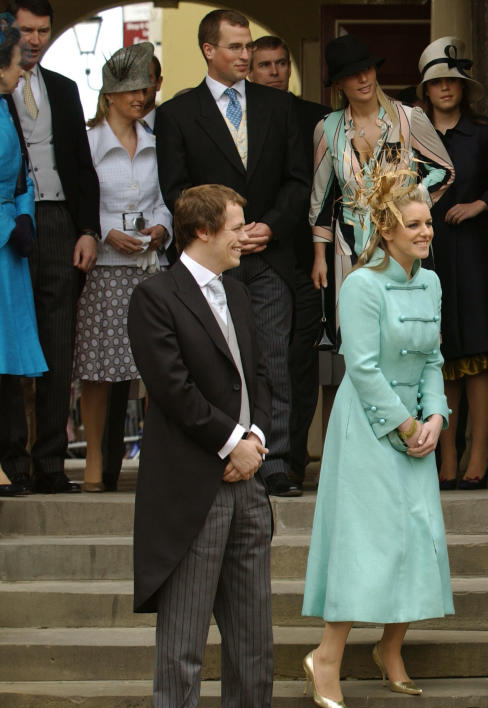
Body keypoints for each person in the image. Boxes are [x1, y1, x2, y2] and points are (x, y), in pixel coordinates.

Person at [301, 170, 453, 708]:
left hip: (417, 421)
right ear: (386, 231)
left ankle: (390, 647)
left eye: (429, 222)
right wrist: (406, 427)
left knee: (417, 535)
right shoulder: (361, 285)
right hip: (368, 427)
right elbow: (361, 369)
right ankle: (326, 658)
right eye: (414, 224)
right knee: (368, 541)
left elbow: (435, 359)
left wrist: (435, 415)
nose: (426, 232)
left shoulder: (431, 283)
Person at [128, 184, 275, 708]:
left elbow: (256, 375)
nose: (246, 235)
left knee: (253, 639)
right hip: (192, 490)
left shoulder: (237, 294)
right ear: (202, 231)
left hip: (248, 482)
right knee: (184, 640)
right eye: (236, 227)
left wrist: (255, 438)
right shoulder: (155, 296)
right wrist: (230, 440)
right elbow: (172, 388)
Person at [155, 8, 311, 497]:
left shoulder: (278, 107)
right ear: (209, 50)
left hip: (268, 255)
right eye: (236, 47)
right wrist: (221, 232)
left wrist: (270, 226)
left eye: (249, 46)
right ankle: (220, 452)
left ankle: (275, 460)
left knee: (272, 360)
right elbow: (176, 190)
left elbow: (297, 180)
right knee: (212, 362)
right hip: (208, 262)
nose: (246, 55)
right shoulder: (176, 114)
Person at [309, 33, 453, 479]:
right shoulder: (328, 128)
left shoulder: (409, 118)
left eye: (367, 69)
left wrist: (405, 201)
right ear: (339, 85)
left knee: (407, 328)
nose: (363, 79)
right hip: (350, 242)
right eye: (352, 75)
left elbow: (444, 170)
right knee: (353, 339)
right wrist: (319, 253)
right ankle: (361, 436)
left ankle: (410, 422)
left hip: (399, 241)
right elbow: (321, 195)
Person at [417, 37, 488, 489]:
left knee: (480, 352)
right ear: (425, 89)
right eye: (438, 82)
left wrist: (482, 203)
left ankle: (478, 452)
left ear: (464, 88)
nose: (446, 89)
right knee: (437, 354)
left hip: (479, 252)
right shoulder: (411, 133)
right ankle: (447, 453)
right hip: (429, 253)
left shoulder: (486, 130)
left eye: (454, 82)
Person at [0, 0, 100, 494]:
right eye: (25, 31)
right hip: (10, 223)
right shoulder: (1, 86)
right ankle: (13, 463)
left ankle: (50, 464)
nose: (34, 40)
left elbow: (81, 165)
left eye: (42, 31)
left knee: (59, 344)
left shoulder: (62, 89)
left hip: (61, 221)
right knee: (11, 342)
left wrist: (88, 230)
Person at [73, 42, 171, 493]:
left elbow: (165, 202)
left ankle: (157, 455)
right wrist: (106, 228)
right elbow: (80, 199)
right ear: (109, 94)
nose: (141, 95)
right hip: (105, 270)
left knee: (155, 367)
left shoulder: (156, 141)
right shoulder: (89, 142)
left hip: (150, 268)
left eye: (145, 86)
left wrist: (159, 230)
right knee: (98, 369)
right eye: (130, 88)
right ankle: (94, 458)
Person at [248, 33, 333, 492]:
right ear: (249, 70)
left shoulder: (316, 118)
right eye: (266, 65)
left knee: (302, 361)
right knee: (264, 358)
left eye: (281, 63)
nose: (276, 71)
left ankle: (292, 458)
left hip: (311, 256)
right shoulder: (238, 120)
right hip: (260, 254)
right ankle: (263, 455)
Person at [0, 13, 45, 497]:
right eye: (15, 64)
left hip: (9, 247)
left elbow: (19, 175)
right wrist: (8, 223)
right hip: (1, 240)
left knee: (7, 361)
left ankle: (14, 460)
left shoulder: (6, 105)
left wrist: (26, 214)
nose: (20, 73)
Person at [139, 55, 161, 134]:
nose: (140, 86)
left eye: (146, 79)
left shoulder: (174, 124)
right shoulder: (108, 128)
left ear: (158, 83)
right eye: (133, 80)